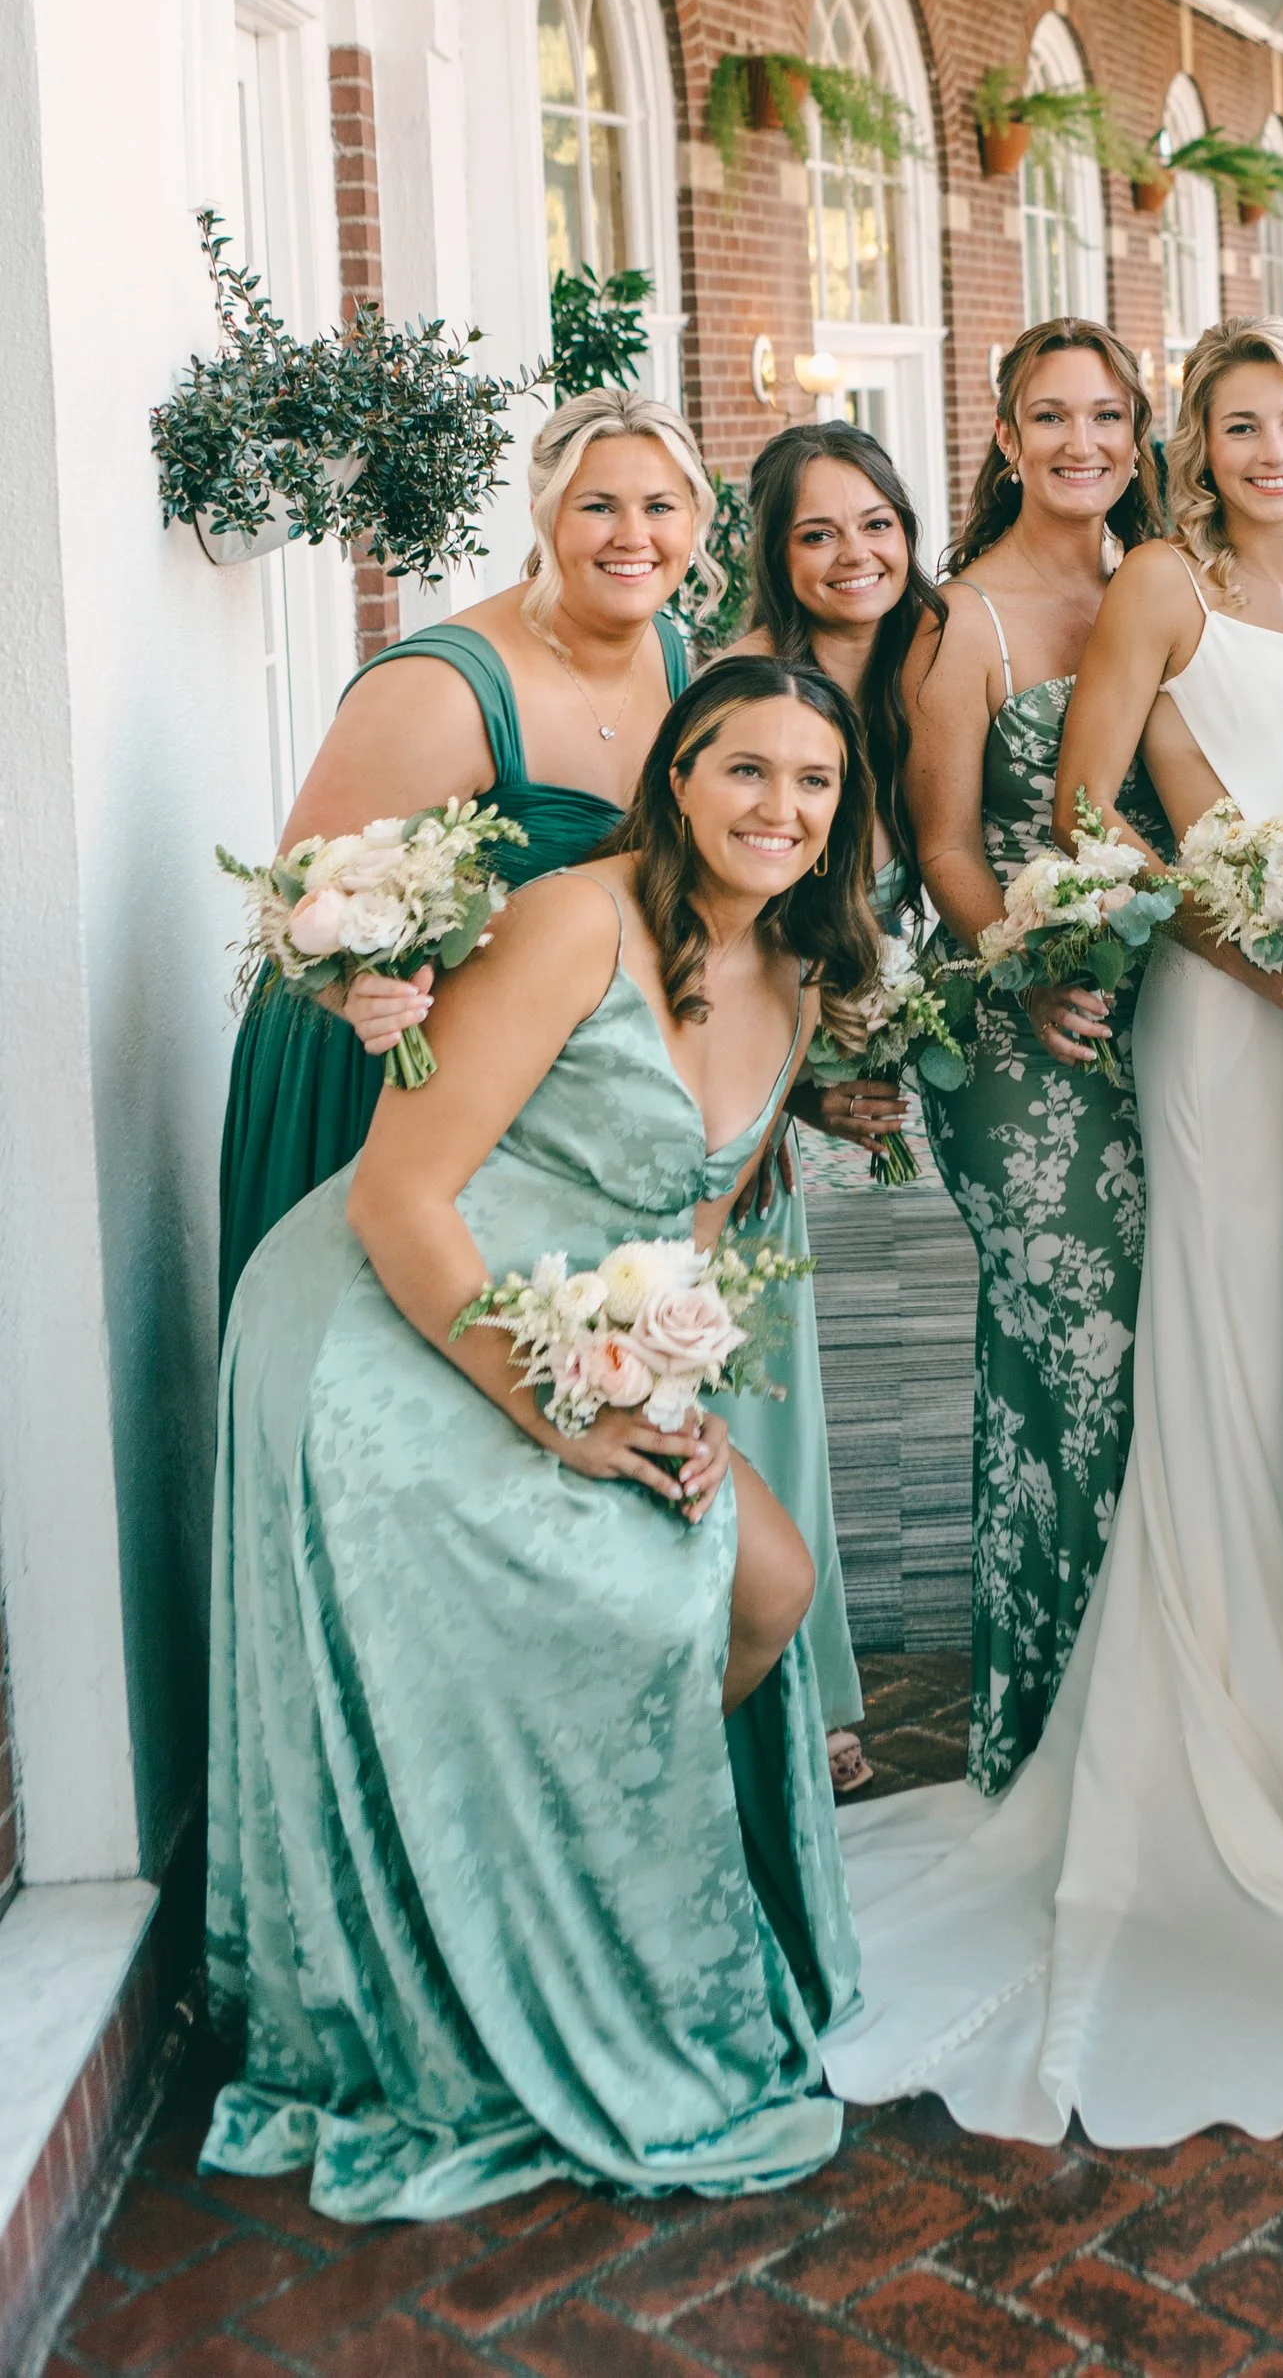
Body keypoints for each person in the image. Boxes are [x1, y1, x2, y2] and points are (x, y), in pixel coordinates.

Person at [828, 320, 1283, 2143]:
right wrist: (1265, 962)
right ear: (1191, 447)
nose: (1271, 446)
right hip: (1223, 1021)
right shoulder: (1163, 579)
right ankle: (1216, 1715)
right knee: (1212, 1337)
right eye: (1238, 423)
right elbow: (1097, 813)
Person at [203, 657, 884, 2217]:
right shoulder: (579, 915)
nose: (780, 807)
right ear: (679, 779)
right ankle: (496, 1960)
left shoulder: (798, 971)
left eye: (816, 781)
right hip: (391, 1318)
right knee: (629, 1586)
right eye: (745, 770)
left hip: (589, 1320)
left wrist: (672, 1392)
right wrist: (558, 1414)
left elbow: (687, 1228)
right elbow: (396, 1195)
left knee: (763, 1583)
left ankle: (588, 1896)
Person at [216, 390, 714, 1318]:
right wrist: (354, 990)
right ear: (546, 516)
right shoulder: (444, 685)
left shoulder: (674, 657)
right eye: (597, 505)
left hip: (533, 1065)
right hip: (379, 1058)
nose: (631, 535)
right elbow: (294, 898)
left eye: (660, 507)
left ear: (696, 521)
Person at [898, 319, 1166, 1790]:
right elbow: (944, 837)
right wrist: (1034, 967)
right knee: (1086, 1354)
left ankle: (1093, 1714)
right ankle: (1074, 1727)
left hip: (1164, 1013)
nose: (1081, 443)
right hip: (1020, 1037)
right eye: (1050, 416)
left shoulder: (1165, 584)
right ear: (1003, 438)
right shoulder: (964, 619)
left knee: (1108, 1360)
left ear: (1139, 433)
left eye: (1108, 415)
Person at [729, 419, 949, 1790]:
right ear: (777, 554)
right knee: (737, 1361)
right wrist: (794, 1077)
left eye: (875, 520)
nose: (854, 552)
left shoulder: (939, 667)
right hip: (731, 1067)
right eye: (817, 531)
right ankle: (765, 1697)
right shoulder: (751, 693)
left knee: (779, 1372)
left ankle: (804, 1679)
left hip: (810, 1056)